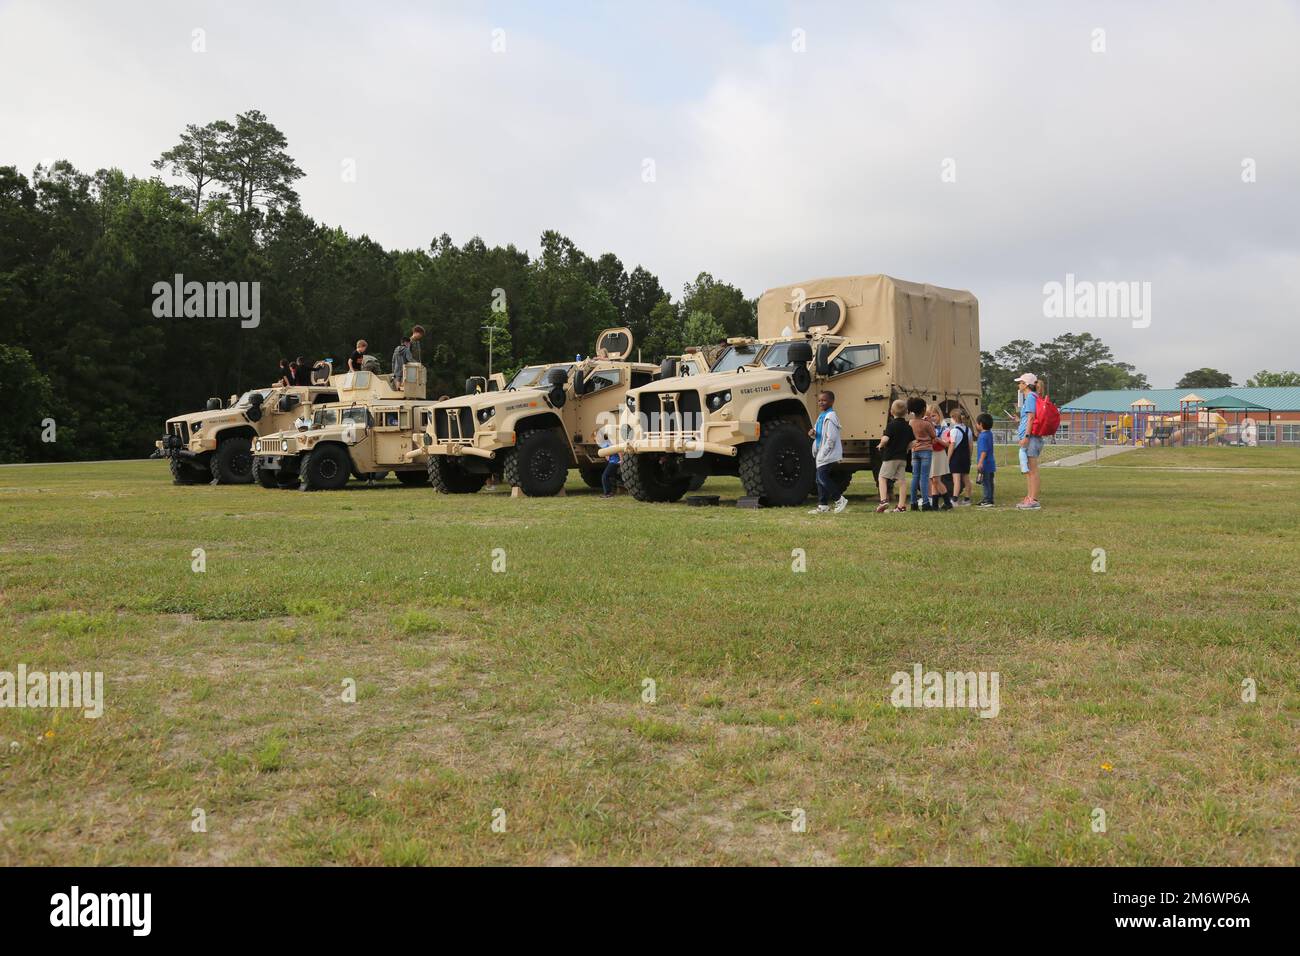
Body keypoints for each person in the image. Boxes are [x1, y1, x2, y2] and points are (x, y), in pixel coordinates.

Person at [809, 390, 848, 514]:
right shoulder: (822, 416)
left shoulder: (831, 417)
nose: (821, 402)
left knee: (822, 478)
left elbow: (831, 438)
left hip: (827, 454)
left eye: (824, 400)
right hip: (821, 452)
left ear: (832, 402)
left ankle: (840, 499)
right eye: (819, 400)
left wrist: (824, 453)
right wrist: (813, 434)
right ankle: (823, 506)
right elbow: (819, 434)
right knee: (819, 479)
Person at [875, 399, 912, 513]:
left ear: (891, 412)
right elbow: (913, 443)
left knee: (882, 477)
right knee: (901, 481)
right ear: (906, 412)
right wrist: (906, 449)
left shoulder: (891, 426)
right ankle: (901, 506)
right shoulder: (908, 426)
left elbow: (886, 439)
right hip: (902, 458)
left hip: (890, 457)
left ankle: (883, 500)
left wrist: (881, 444)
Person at [1015, 372, 1043, 510]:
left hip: (1031, 438)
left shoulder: (1031, 397)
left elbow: (1031, 418)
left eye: (1020, 382)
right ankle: (1030, 497)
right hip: (1029, 437)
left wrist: (1026, 436)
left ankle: (1033, 499)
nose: (1018, 384)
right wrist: (1019, 421)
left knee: (1032, 470)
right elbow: (1028, 419)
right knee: (1029, 470)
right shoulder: (1030, 397)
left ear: (1026, 384)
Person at [908, 396, 937, 511]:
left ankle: (913, 502)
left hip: (914, 451)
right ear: (924, 409)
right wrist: (929, 422)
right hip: (926, 451)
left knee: (915, 477)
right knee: (924, 477)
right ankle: (925, 503)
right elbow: (934, 435)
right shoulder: (926, 424)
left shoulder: (911, 422)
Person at [928, 405, 953, 510]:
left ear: (939, 415)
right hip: (932, 454)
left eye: (934, 415)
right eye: (930, 416)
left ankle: (948, 503)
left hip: (939, 454)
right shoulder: (930, 426)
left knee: (937, 480)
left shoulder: (945, 427)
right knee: (934, 480)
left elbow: (947, 444)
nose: (932, 418)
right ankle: (935, 505)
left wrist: (937, 439)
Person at [948, 408, 973, 505]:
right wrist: (969, 457)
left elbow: (952, 446)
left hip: (956, 457)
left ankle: (954, 499)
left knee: (956, 479)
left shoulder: (954, 430)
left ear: (954, 418)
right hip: (965, 457)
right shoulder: (968, 430)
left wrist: (948, 458)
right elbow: (970, 445)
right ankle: (967, 499)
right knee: (966, 478)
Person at [975, 412, 996, 507]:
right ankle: (989, 498)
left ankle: (987, 500)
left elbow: (984, 451)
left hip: (985, 463)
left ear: (981, 424)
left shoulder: (982, 436)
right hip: (991, 463)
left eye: (976, 423)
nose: (976, 425)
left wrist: (980, 462)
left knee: (986, 482)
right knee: (990, 482)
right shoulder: (989, 434)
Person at [595, 428, 620, 498]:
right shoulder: (602, 444)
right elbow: (607, 457)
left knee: (605, 476)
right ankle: (612, 491)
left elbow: (618, 450)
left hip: (615, 462)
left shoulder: (608, 442)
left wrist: (621, 460)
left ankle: (608, 493)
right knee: (610, 477)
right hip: (612, 461)